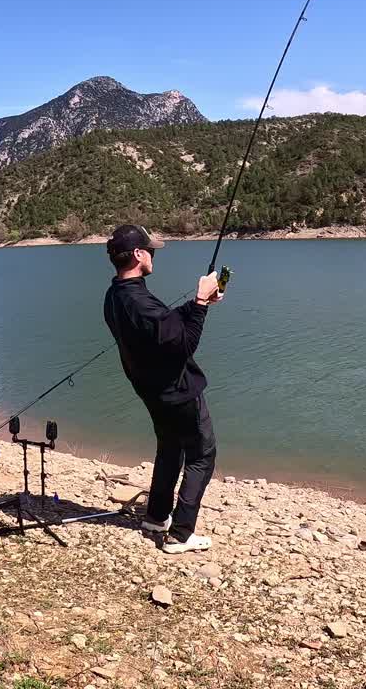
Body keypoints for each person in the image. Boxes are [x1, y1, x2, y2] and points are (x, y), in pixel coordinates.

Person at [102, 224, 225, 554]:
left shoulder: (117, 295)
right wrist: (199, 302)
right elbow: (183, 344)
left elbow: (162, 326)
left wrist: (199, 305)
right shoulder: (140, 302)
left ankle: (157, 516)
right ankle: (181, 535)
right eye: (151, 250)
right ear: (139, 255)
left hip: (151, 391)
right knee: (201, 455)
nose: (154, 255)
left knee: (170, 449)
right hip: (177, 392)